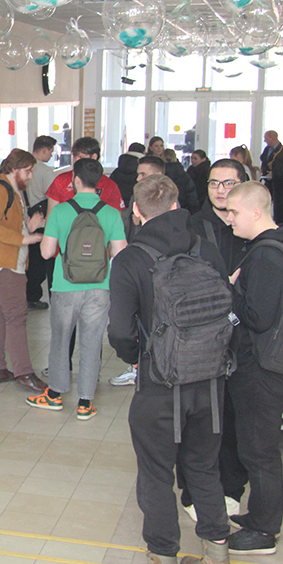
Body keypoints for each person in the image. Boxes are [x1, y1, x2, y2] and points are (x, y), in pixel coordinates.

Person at [108, 175, 232, 564]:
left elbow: (120, 330)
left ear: (137, 212)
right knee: (204, 468)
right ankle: (217, 551)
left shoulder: (130, 260)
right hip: (210, 380)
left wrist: (135, 358)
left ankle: (163, 554)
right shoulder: (206, 249)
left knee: (156, 472)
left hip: (159, 382)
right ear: (177, 206)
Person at [225, 181, 283, 556]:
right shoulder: (282, 244)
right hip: (269, 364)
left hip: (261, 367)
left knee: (260, 452)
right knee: (256, 448)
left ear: (256, 212)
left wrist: (230, 291)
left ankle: (264, 530)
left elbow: (258, 316)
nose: (229, 219)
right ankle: (258, 514)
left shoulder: (265, 256)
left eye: (234, 212)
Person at [179, 158, 250, 523]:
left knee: (234, 416)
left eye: (228, 183)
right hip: (201, 337)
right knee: (199, 419)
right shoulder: (192, 226)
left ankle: (232, 487)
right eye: (213, 183)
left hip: (242, 338)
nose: (220, 190)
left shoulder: (250, 230)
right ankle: (193, 488)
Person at [28, 158, 126, 420]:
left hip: (65, 285)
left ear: (76, 180)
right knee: (92, 342)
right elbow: (120, 253)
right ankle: (85, 403)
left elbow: (46, 253)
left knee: (60, 339)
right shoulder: (111, 213)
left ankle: (55, 395)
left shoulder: (60, 212)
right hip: (99, 287)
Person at [0, 149, 47, 393]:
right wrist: (23, 239)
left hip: (1, 261)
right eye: (28, 171)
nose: (30, 176)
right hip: (3, 264)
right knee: (17, 316)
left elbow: (6, 223)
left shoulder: (13, 190)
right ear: (14, 169)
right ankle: (24, 373)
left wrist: (28, 227)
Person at [111, 154, 167, 388]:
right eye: (138, 174)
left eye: (143, 174)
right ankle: (136, 366)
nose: (138, 178)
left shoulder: (170, 203)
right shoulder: (137, 198)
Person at [45, 137, 126, 213]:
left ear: (94, 157)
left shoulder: (109, 185)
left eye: (81, 157)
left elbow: (115, 217)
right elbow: (51, 215)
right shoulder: (61, 181)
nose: (76, 161)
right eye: (74, 157)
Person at [25, 136, 58, 311]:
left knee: (32, 263)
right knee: (45, 264)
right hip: (44, 222)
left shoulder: (23, 168)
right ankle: (44, 297)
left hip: (28, 220)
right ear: (44, 150)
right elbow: (54, 197)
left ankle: (30, 295)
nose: (51, 155)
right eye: (51, 151)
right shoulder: (46, 172)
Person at [162, 148, 200, 213]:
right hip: (183, 210)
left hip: (163, 210)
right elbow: (191, 195)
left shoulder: (160, 175)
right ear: (175, 158)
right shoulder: (183, 175)